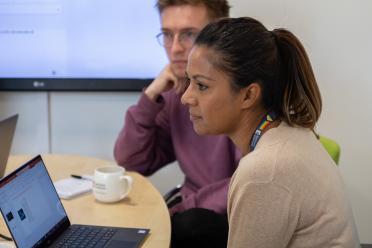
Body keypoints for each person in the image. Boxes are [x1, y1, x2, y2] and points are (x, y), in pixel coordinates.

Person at [181, 17, 360, 247]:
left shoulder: (264, 171)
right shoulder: (289, 131)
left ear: (248, 95)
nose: (186, 97)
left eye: (202, 85)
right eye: (189, 82)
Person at [114, 1, 239, 247]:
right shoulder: (176, 92)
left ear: (220, 34)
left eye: (189, 34)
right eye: (168, 35)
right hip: (191, 214)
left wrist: (179, 210)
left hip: (227, 221)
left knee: (189, 226)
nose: (175, 48)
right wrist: (151, 96)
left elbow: (249, 184)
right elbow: (133, 160)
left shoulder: (242, 92)